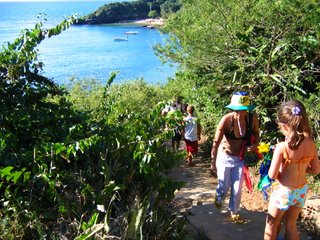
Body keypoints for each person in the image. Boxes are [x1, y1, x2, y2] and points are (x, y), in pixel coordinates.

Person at [264, 100, 320, 240]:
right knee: (291, 225)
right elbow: (315, 170)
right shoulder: (311, 144)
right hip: (301, 191)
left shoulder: (282, 147)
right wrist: (300, 167)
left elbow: (272, 174)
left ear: (284, 126)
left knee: (271, 224)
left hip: (284, 191)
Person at [210, 91, 260, 223]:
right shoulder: (226, 120)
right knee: (224, 186)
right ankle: (219, 197)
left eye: (243, 110)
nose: (240, 113)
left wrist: (254, 145)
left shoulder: (252, 119)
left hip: (240, 158)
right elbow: (215, 142)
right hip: (224, 157)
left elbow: (257, 134)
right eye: (237, 110)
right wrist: (212, 163)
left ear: (247, 109)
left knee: (237, 189)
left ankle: (234, 211)